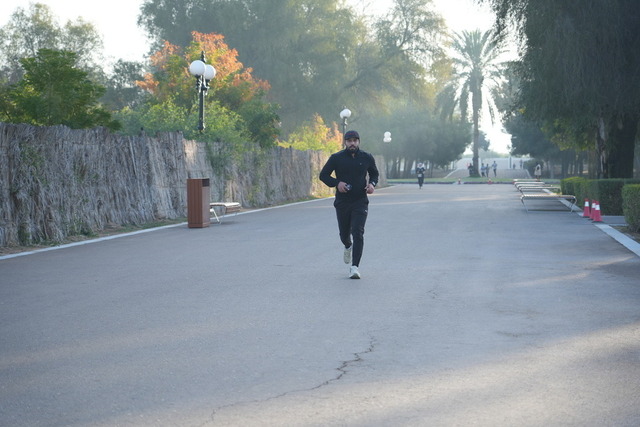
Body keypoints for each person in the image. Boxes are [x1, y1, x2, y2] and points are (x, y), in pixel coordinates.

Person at [319, 130, 379, 279]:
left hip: (360, 201)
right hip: (343, 202)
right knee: (344, 234)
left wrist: (372, 184)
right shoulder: (336, 158)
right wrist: (337, 183)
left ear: (359, 142)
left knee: (358, 232)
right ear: (345, 142)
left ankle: (355, 267)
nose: (352, 143)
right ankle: (347, 245)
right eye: (349, 140)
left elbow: (374, 174)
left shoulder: (367, 157)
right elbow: (323, 175)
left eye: (355, 140)